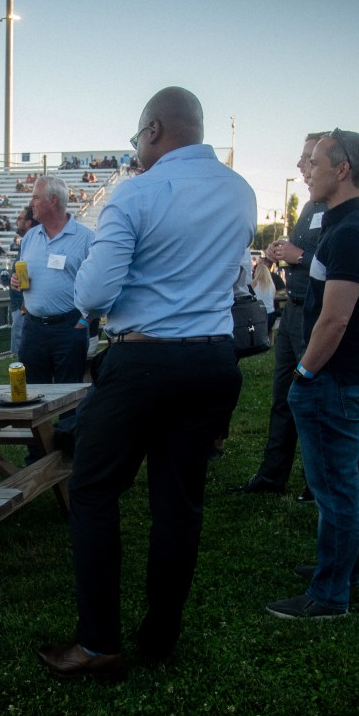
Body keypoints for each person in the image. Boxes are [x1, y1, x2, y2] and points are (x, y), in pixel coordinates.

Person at [36, 87, 255, 678]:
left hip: (144, 360)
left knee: (94, 490)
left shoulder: (138, 190)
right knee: (178, 505)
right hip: (212, 360)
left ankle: (98, 642)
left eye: (137, 138)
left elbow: (94, 293)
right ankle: (160, 638)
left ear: (154, 129)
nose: (135, 149)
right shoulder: (240, 191)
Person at [266, 129, 359, 620]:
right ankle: (340, 569)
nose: (308, 170)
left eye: (316, 162)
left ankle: (330, 594)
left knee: (336, 488)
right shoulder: (349, 225)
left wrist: (304, 372)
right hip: (345, 374)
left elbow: (335, 319)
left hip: (334, 377)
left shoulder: (352, 231)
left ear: (342, 170)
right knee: (347, 482)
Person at [231, 132, 327, 503]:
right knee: (282, 397)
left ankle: (315, 483)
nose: (301, 165)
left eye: (309, 158)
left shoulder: (340, 210)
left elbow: (332, 256)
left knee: (311, 399)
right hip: (294, 313)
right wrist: (280, 250)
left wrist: (298, 254)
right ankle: (273, 475)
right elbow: (306, 250)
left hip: (315, 315)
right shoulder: (310, 206)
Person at [11, 175, 93, 428]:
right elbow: (24, 275)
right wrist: (16, 282)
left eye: (36, 197)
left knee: (69, 395)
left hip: (69, 327)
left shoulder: (86, 238)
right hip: (33, 327)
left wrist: (83, 320)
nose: (31, 202)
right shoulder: (30, 237)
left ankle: (67, 453)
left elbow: (97, 284)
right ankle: (37, 454)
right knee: (32, 394)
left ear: (53, 201)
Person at [8, 206, 36, 357]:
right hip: (20, 303)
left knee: (21, 350)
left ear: (28, 223)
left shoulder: (32, 243)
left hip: (24, 305)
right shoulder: (25, 242)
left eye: (19, 218)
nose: (16, 221)